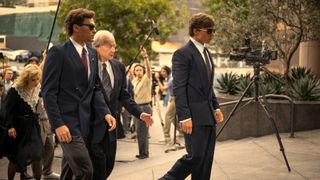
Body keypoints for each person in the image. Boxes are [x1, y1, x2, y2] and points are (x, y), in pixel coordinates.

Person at [41, 8, 116, 180]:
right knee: (85, 171)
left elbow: (95, 87)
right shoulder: (58, 53)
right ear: (76, 27)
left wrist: (105, 112)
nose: (94, 30)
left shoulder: (91, 54)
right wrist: (58, 124)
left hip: (85, 123)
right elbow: (48, 92)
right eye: (90, 27)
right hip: (67, 125)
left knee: (68, 173)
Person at [159, 13, 224, 180]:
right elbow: (179, 88)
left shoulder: (207, 53)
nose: (212, 34)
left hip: (208, 115)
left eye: (213, 30)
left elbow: (208, 86)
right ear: (196, 31)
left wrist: (216, 107)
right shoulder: (182, 54)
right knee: (195, 156)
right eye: (209, 31)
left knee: (206, 159)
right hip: (193, 117)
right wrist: (185, 116)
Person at [91, 30, 153, 179]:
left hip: (111, 128)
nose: (113, 49)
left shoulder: (118, 66)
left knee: (108, 165)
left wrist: (140, 113)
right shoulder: (88, 66)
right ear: (96, 46)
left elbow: (124, 96)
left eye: (114, 46)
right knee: (94, 167)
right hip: (91, 127)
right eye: (109, 45)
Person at [0, 64, 43, 180]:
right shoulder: (16, 90)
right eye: (33, 79)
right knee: (16, 157)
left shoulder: (37, 87)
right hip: (18, 127)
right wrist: (10, 126)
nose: (36, 81)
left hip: (32, 125)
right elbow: (6, 109)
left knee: (37, 155)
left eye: (38, 78)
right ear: (26, 78)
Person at [131, 48, 153, 159]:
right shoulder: (134, 81)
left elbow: (149, 70)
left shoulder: (146, 79)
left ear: (143, 71)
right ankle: (143, 152)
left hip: (145, 107)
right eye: (137, 70)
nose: (139, 71)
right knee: (139, 132)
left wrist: (145, 57)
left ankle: (144, 153)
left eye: (140, 70)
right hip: (137, 108)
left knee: (142, 132)